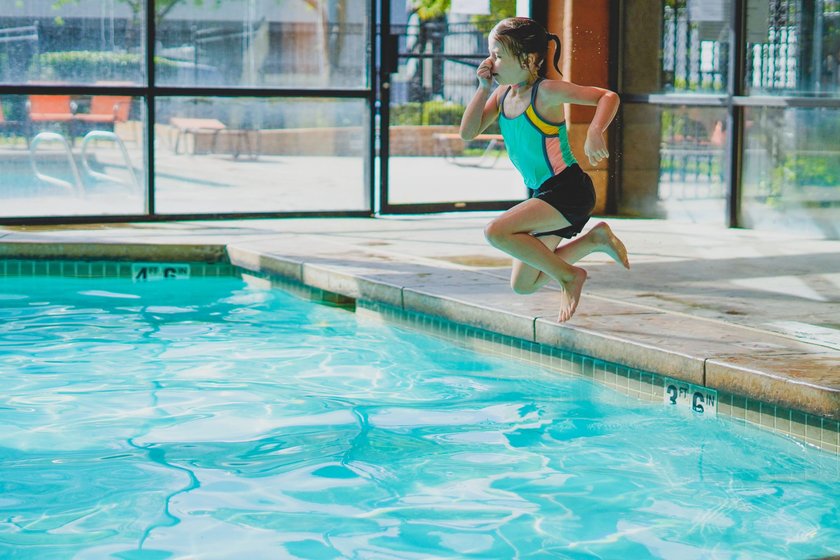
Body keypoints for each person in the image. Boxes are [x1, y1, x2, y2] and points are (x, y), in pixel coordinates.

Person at [459, 17, 630, 322]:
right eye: (490, 54)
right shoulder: (501, 96)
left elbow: (607, 96)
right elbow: (468, 132)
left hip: (567, 190)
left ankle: (569, 277)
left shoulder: (546, 92)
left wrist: (594, 130)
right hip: (545, 194)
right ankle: (595, 240)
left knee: (496, 231)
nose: (490, 62)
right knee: (524, 285)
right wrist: (483, 89)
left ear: (529, 59)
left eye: (498, 55)